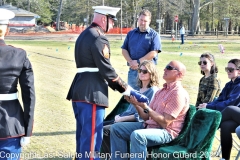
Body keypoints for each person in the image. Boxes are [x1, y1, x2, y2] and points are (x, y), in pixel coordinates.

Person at [66, 6, 144, 160]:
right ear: (104, 19)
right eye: (112, 21)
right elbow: (107, 71)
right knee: (92, 142)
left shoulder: (85, 34)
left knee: (83, 138)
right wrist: (128, 90)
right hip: (92, 92)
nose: (113, 25)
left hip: (80, 90)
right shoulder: (98, 37)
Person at [110, 60, 189, 160]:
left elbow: (165, 123)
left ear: (179, 74)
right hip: (150, 125)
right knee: (116, 128)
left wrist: (146, 107)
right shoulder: (161, 91)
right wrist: (136, 104)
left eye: (169, 68)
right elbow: (146, 117)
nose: (164, 69)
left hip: (166, 132)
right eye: (165, 67)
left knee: (138, 135)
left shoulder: (178, 93)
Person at [101, 60, 160, 157]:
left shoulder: (153, 90)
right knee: (99, 126)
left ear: (152, 73)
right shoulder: (137, 88)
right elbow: (130, 109)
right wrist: (120, 116)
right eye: (140, 70)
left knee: (105, 130)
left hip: (138, 122)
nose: (141, 73)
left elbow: (146, 114)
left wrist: (123, 118)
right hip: (125, 118)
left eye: (145, 71)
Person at [0, 9, 35, 159]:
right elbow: (29, 97)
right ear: (6, 29)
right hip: (11, 125)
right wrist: (27, 131)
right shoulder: (19, 55)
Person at [121, 9, 161, 90]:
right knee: (132, 97)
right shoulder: (131, 34)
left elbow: (154, 52)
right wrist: (131, 62)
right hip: (133, 71)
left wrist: (138, 62)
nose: (142, 23)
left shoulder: (154, 35)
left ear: (149, 21)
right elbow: (124, 49)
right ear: (138, 19)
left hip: (147, 72)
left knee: (147, 98)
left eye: (145, 21)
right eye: (141, 20)